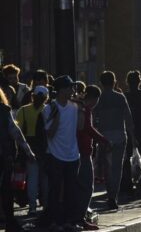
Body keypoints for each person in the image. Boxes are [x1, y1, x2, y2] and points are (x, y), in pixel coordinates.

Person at [43, 75, 82, 231]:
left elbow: (79, 128)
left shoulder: (75, 106)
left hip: (73, 154)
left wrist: (83, 110)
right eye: (70, 87)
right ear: (61, 90)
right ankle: (55, 222)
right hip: (55, 154)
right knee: (55, 189)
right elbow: (50, 133)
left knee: (71, 190)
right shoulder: (50, 108)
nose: (73, 90)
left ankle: (69, 221)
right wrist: (58, 117)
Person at [93, 71, 135, 210]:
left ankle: (110, 193)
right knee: (117, 168)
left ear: (101, 83)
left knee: (107, 168)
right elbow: (128, 119)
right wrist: (133, 138)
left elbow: (93, 119)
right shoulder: (120, 97)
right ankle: (113, 197)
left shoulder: (99, 99)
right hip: (120, 136)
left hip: (104, 137)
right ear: (114, 81)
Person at [0, 82, 36, 232]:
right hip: (3, 156)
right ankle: (10, 222)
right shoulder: (3, 110)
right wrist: (28, 151)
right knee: (6, 191)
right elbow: (15, 132)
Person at [75, 85, 110, 231]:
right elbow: (87, 129)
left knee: (78, 186)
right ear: (94, 98)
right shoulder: (85, 109)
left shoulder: (75, 106)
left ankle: (77, 216)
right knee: (88, 186)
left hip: (74, 151)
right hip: (83, 151)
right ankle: (80, 217)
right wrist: (104, 139)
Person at [15, 85, 49, 215]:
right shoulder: (48, 110)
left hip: (29, 147)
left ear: (32, 96)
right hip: (45, 148)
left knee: (32, 178)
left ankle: (32, 207)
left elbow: (17, 132)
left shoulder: (23, 111)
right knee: (45, 178)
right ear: (46, 98)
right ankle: (46, 206)